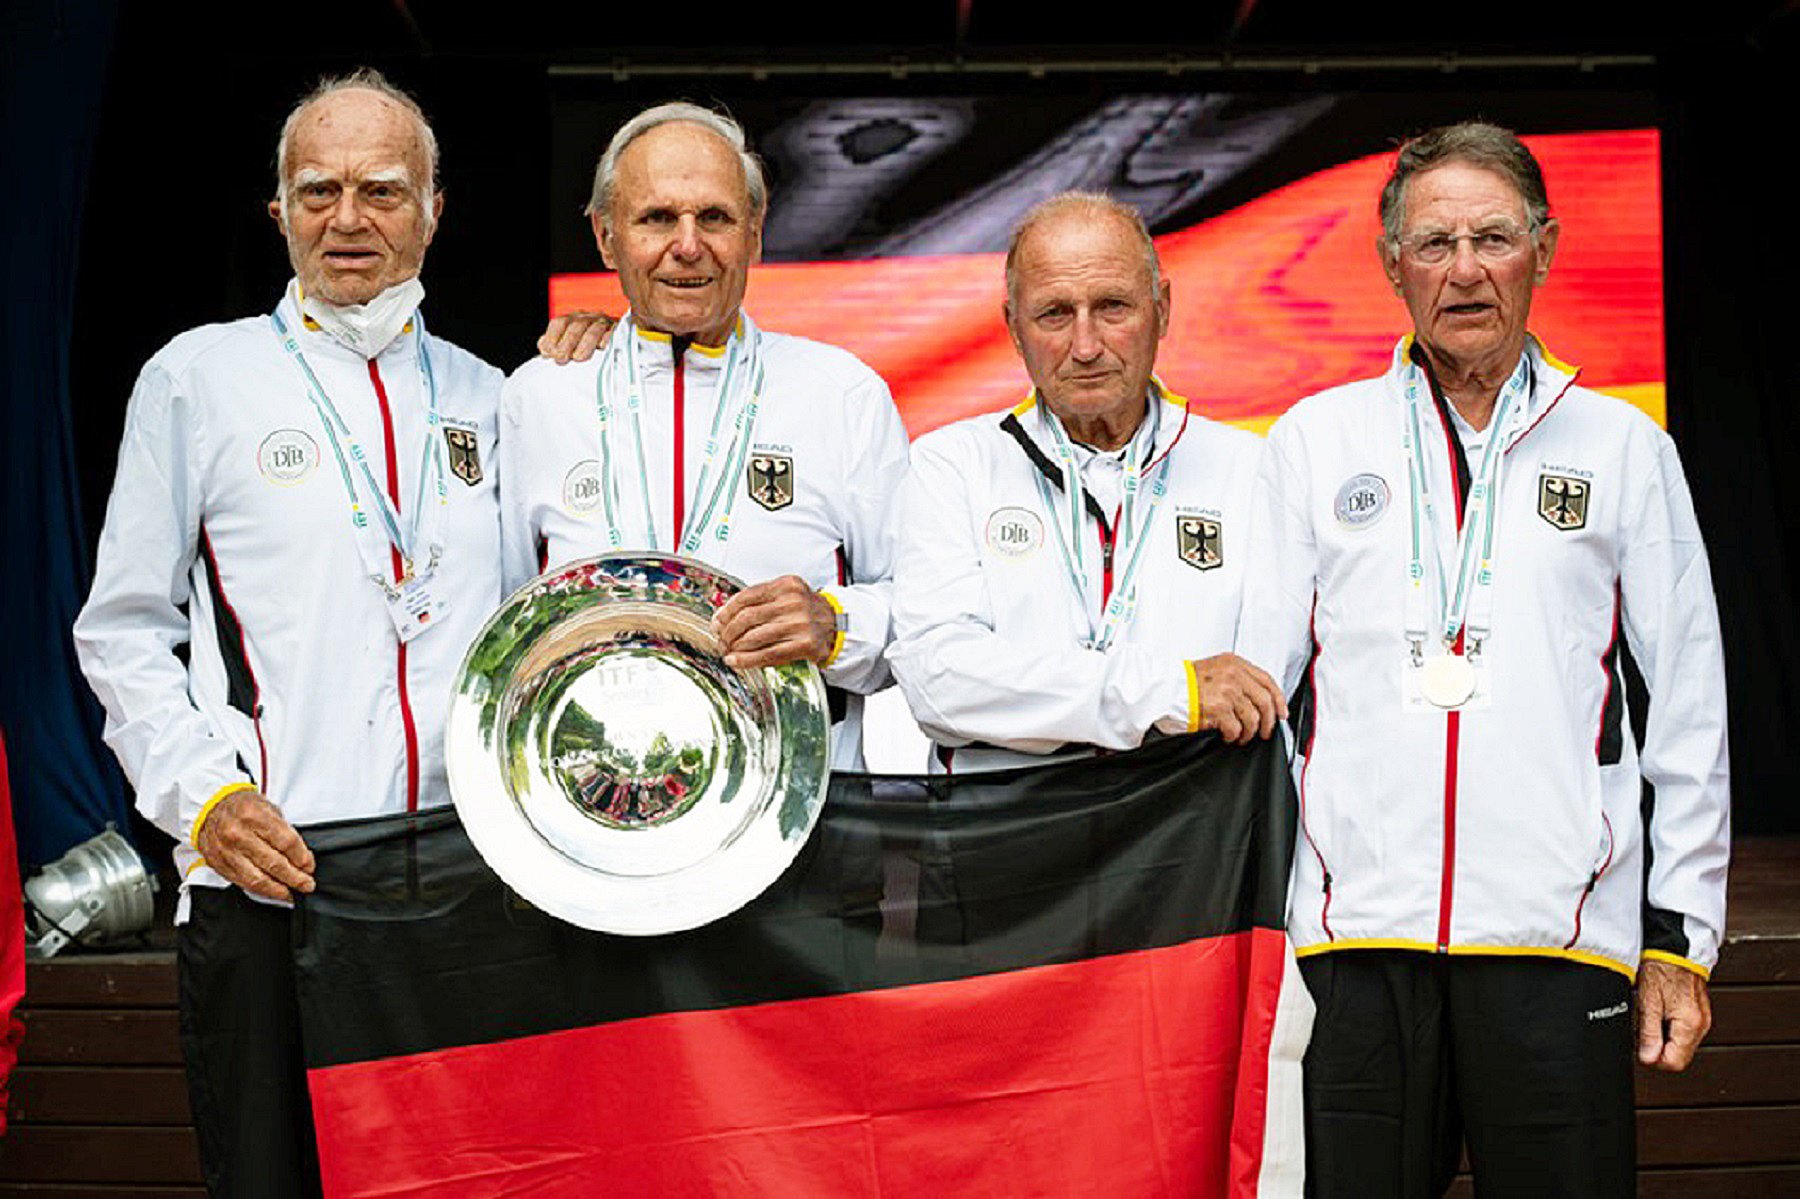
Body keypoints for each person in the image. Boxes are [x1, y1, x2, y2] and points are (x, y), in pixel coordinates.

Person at [1237, 122, 1729, 1198]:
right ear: (1390, 264)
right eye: (1434, 242)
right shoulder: (1313, 441)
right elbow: (1258, 693)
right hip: (1353, 943)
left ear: (1543, 250)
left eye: (1493, 238)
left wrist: (1681, 938)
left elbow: (1688, 699)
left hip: (1558, 939)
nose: (1464, 269)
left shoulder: (1623, 448)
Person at [74, 70, 519, 1197]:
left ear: (433, 209)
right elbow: (124, 626)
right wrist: (202, 800)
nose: (349, 219)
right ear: (277, 212)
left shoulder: (497, 397)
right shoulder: (197, 378)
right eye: (317, 190)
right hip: (276, 881)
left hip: (468, 882)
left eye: (382, 189)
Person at [501, 102, 909, 769]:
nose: (687, 245)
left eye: (715, 217)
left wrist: (839, 626)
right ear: (606, 239)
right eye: (657, 218)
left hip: (802, 817)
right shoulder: (539, 396)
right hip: (595, 819)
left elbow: (924, 611)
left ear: (754, 234)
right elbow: (497, 624)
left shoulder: (843, 393)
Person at [887, 192, 1286, 772]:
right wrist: (1176, 693)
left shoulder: (1249, 468)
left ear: (1163, 308)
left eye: (1113, 307)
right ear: (1013, 327)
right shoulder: (953, 464)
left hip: (1188, 836)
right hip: (1002, 841)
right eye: (1054, 314)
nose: (1086, 346)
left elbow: (1263, 684)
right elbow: (940, 681)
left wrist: (1046, 697)